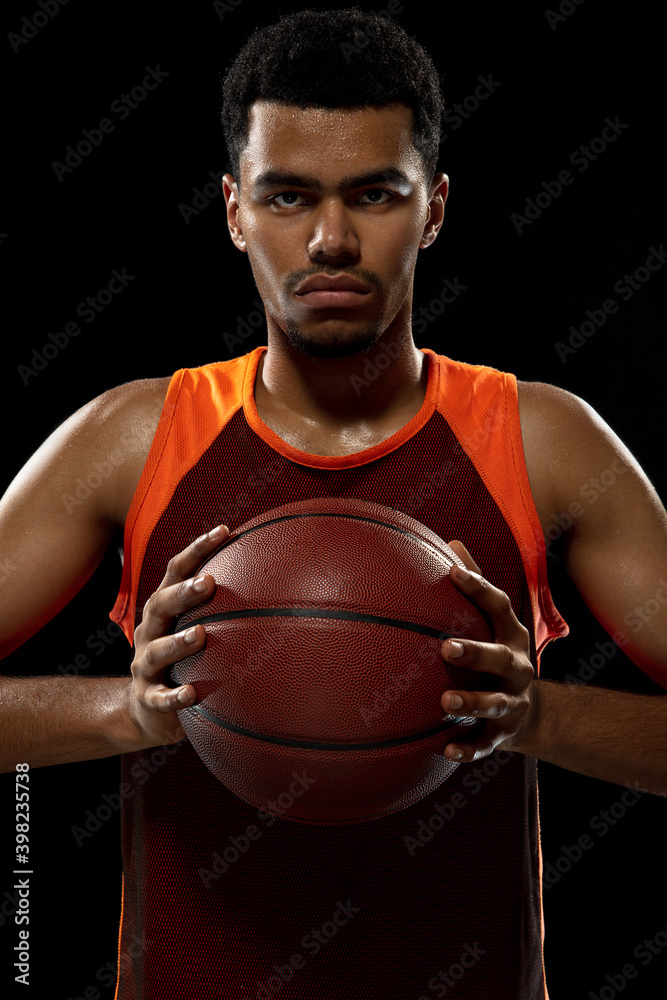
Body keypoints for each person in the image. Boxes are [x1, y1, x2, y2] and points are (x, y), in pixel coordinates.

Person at [1, 7, 666, 998]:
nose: (329, 238)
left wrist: (537, 715)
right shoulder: (136, 438)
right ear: (233, 210)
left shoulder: (538, 439)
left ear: (434, 207)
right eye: (287, 196)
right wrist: (125, 711)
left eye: (375, 194)